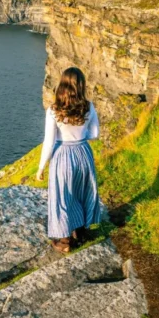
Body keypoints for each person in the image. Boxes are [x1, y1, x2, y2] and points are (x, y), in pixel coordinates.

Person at [36, 67, 100, 253]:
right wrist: (81, 133)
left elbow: (48, 142)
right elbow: (94, 134)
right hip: (83, 153)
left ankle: (64, 241)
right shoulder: (88, 107)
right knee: (82, 192)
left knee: (63, 197)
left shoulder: (54, 110)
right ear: (81, 86)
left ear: (62, 85)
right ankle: (80, 232)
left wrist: (41, 168)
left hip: (62, 155)